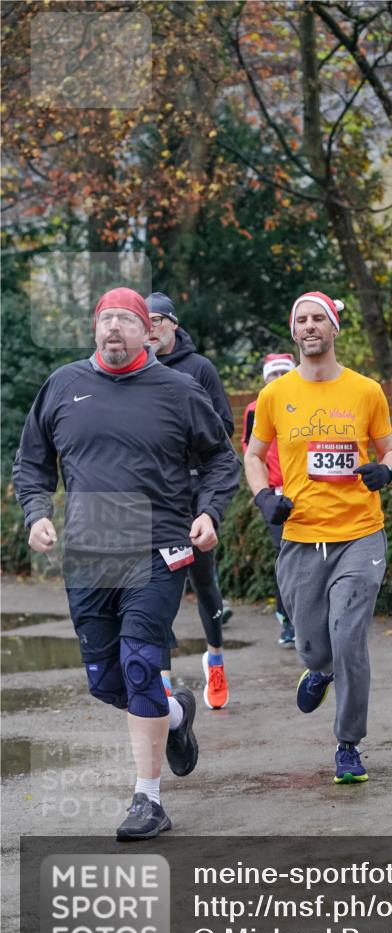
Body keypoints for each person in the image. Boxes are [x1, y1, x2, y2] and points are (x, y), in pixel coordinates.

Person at [13, 287, 241, 840]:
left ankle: (148, 798)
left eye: (126, 319)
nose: (113, 327)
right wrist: (36, 513)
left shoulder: (178, 389)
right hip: (90, 554)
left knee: (140, 664)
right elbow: (31, 462)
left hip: (159, 549)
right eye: (105, 318)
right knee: (107, 680)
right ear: (95, 329)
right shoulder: (63, 386)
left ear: (148, 331)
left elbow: (221, 459)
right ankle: (179, 712)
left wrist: (209, 513)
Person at [244, 291, 392, 784]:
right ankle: (319, 671)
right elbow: (252, 455)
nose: (310, 326)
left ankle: (348, 744)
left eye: (319, 318)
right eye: (302, 320)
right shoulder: (274, 396)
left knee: (349, 637)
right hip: (301, 536)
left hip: (360, 533)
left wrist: (385, 472)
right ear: (294, 332)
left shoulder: (366, 391)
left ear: (334, 328)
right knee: (314, 646)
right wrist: (264, 496)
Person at [145, 292, 235, 710]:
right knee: (156, 589)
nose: (150, 326)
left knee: (203, 582)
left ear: (173, 324)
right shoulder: (134, 371)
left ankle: (215, 658)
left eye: (157, 318)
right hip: (155, 495)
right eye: (142, 319)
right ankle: (161, 682)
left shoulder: (199, 368)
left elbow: (226, 428)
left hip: (196, 491)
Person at [242, 352, 297, 646]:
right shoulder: (256, 408)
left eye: (283, 373)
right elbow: (251, 454)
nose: (278, 379)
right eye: (273, 375)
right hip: (276, 495)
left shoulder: (306, 400)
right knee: (286, 557)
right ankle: (286, 619)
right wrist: (262, 493)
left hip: (306, 491)